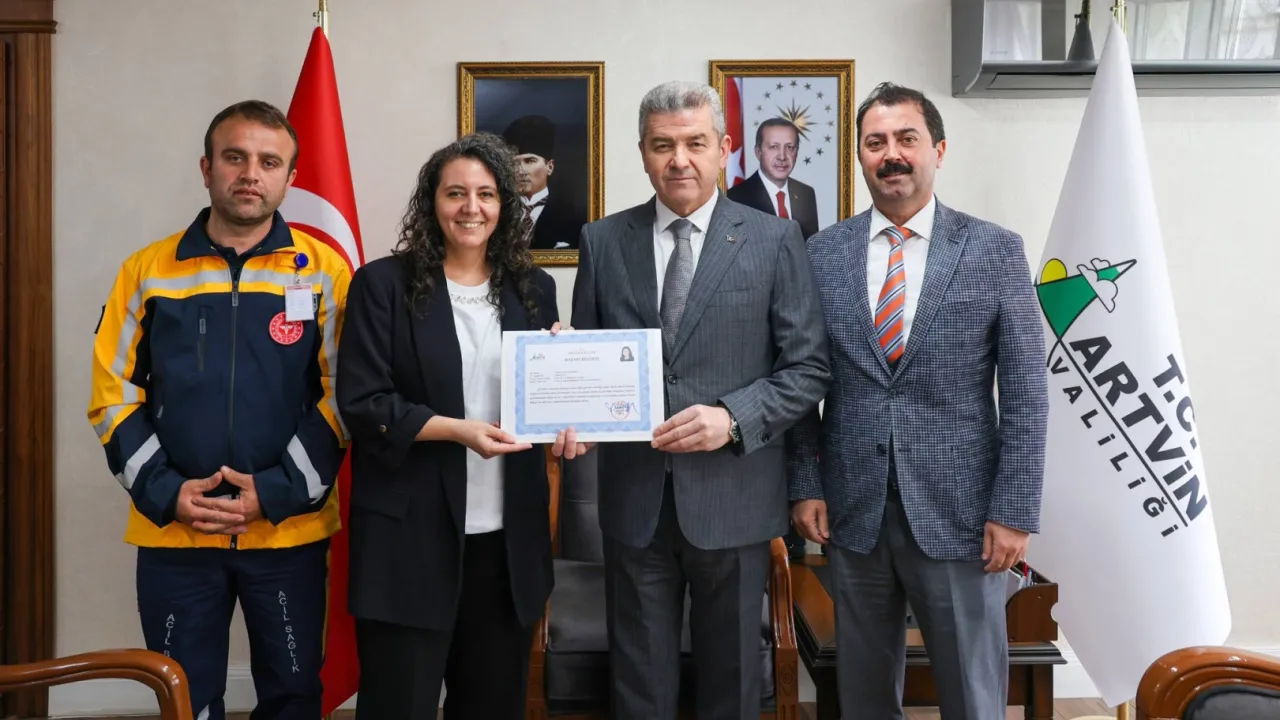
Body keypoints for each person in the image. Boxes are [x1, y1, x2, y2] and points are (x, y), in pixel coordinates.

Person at [555, 80, 830, 720]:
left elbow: (808, 367)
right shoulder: (602, 240)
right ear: (643, 153)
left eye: (695, 143)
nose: (679, 159)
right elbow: (590, 363)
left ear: (724, 148)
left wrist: (733, 418)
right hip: (634, 505)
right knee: (638, 689)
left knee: (731, 688)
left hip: (736, 501)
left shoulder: (775, 240)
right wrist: (566, 388)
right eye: (663, 145)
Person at [788, 81, 1049, 720]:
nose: (892, 154)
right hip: (853, 509)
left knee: (971, 695)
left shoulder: (994, 249)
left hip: (964, 515)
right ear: (860, 156)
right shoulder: (819, 254)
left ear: (938, 149)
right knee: (864, 695)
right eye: (875, 143)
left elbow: (1025, 393)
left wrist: (1014, 510)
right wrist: (805, 483)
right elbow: (800, 379)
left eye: (907, 139)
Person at [86, 100, 350, 720]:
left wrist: (277, 492)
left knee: (292, 698)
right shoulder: (147, 272)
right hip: (177, 531)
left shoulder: (324, 273)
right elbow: (111, 393)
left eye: (269, 162)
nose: (250, 174)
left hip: (286, 531)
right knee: (185, 699)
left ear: (290, 177)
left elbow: (344, 393)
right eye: (235, 157)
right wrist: (168, 492)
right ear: (207, 168)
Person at [335, 132, 559, 719]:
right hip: (408, 541)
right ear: (431, 202)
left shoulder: (535, 290)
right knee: (398, 706)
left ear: (505, 203)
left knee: (491, 707)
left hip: (506, 547)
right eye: (455, 192)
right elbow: (362, 403)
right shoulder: (382, 285)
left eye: (486, 194)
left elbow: (542, 406)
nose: (471, 207)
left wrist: (568, 399)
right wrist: (458, 430)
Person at [502, 114, 588, 250]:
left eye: (530, 161)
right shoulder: (499, 215)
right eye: (514, 163)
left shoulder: (572, 218)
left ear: (550, 166)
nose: (521, 171)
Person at [726, 118, 820, 239]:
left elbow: (811, 247)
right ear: (758, 152)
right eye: (774, 147)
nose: (782, 157)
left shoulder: (806, 194)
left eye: (789, 147)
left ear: (796, 152)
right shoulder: (735, 198)